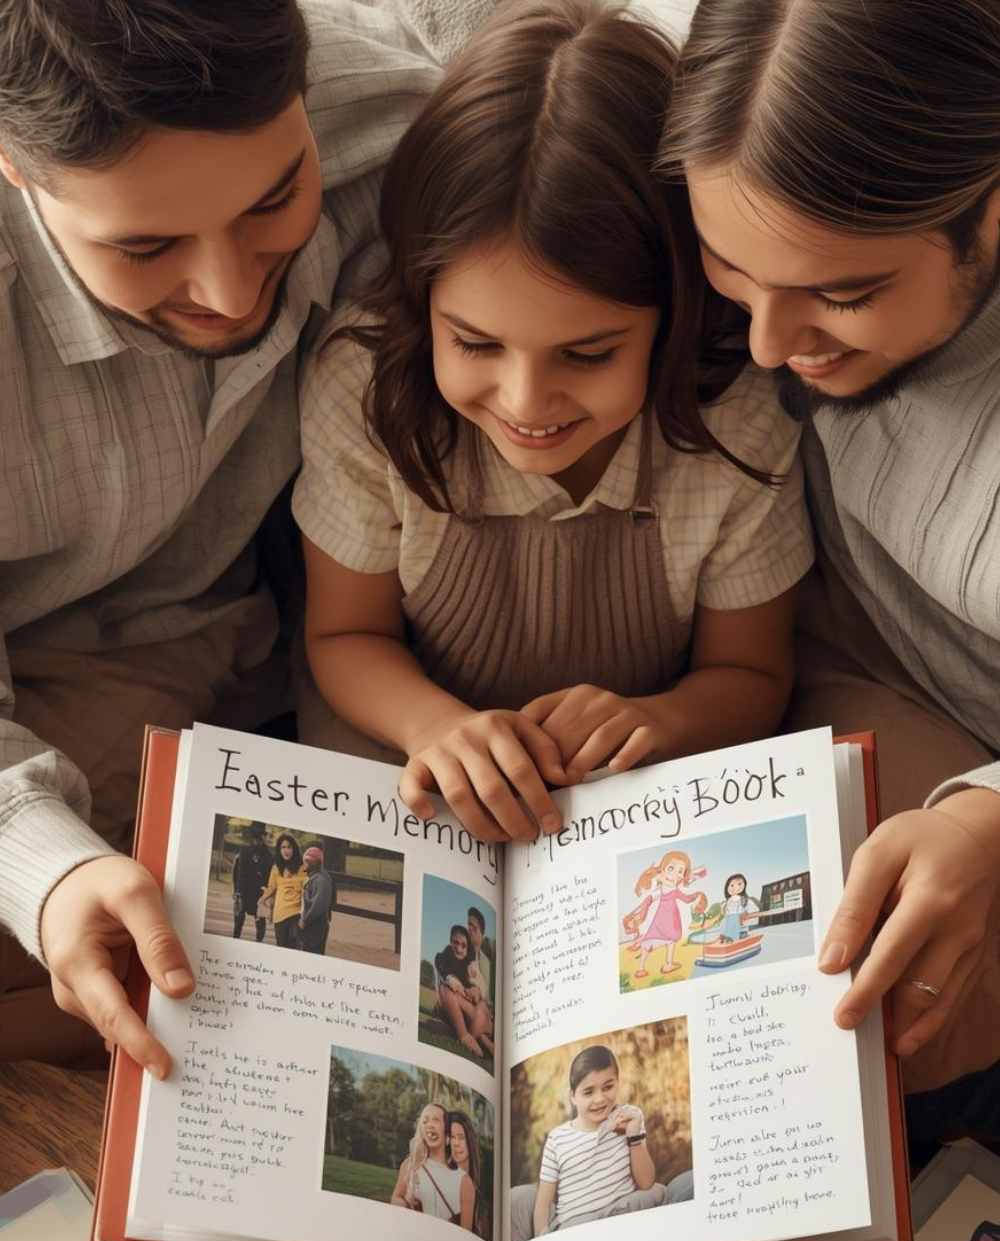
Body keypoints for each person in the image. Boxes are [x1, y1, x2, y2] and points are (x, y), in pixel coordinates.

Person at [0, 0, 449, 1075]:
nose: (231, 287)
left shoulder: (392, 105)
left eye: (273, 200)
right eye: (147, 246)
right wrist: (48, 870)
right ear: (16, 167)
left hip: (258, 641)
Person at [293, 0, 814, 848]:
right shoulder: (365, 390)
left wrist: (666, 720)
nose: (527, 403)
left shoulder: (738, 421)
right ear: (424, 304)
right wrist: (436, 727)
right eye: (475, 343)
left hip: (624, 799)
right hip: (400, 746)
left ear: (673, 316)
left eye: (589, 354)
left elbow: (751, 672)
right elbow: (344, 634)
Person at [664, 0, 1000, 1124]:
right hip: (835, 668)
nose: (769, 347)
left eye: (842, 295)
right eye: (729, 266)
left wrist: (984, 820)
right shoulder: (729, 105)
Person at [509, 1044, 695, 1241]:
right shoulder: (557, 1139)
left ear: (618, 1083)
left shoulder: (628, 1116)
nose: (600, 1099)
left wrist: (634, 1136)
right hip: (578, 1223)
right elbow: (543, 1203)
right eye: (588, 1092)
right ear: (573, 1097)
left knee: (655, 1191)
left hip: (622, 1209)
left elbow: (646, 1182)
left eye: (608, 1087)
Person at [622, 850, 707, 977]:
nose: (674, 874)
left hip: (670, 921)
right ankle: (645, 968)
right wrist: (640, 917)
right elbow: (647, 901)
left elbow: (686, 899)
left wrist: (697, 895)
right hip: (661, 921)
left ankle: (663, 965)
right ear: (662, 871)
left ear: (682, 876)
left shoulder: (674, 890)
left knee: (665, 941)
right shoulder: (659, 891)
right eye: (671, 868)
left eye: (680, 871)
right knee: (654, 942)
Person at [391, 1101, 474, 1229]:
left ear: (447, 1134)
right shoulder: (410, 1165)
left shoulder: (463, 1181)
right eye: (425, 1121)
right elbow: (395, 1198)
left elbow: (466, 1234)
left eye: (436, 1120)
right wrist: (406, 1203)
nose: (429, 1125)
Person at [434, 925, 494, 1058]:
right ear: (450, 942)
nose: (459, 948)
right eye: (455, 943)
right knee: (447, 990)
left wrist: (475, 991)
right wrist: (453, 981)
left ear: (468, 949)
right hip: (455, 1010)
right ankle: (466, 1036)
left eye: (463, 945)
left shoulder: (472, 966)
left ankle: (481, 1038)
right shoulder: (445, 956)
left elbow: (482, 996)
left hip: (476, 1013)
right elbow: (442, 967)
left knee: (480, 1008)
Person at [446, 1109, 490, 1241]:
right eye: (452, 1137)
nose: (456, 1143)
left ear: (470, 1140)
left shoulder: (484, 1182)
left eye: (461, 1137)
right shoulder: (446, 1180)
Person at [262, 835, 306, 949]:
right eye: (283, 847)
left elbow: (306, 893)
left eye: (289, 847)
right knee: (281, 947)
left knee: (294, 948)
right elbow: (271, 889)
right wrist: (265, 905)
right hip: (279, 916)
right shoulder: (276, 868)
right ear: (279, 850)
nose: (286, 850)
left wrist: (303, 917)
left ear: (294, 849)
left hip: (296, 915)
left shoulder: (304, 868)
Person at [231, 824, 273, 943]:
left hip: (259, 894)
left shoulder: (269, 856)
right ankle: (235, 939)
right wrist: (236, 891)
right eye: (259, 837)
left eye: (262, 837)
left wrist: (267, 896)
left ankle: (258, 943)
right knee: (238, 918)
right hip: (243, 890)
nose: (260, 839)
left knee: (260, 921)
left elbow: (270, 877)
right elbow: (236, 873)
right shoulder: (243, 852)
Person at [298, 845, 334, 955]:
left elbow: (318, 905)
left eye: (306, 861)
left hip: (315, 927)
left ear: (313, 863)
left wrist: (305, 920)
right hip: (313, 925)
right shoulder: (315, 877)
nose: (304, 864)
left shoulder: (320, 880)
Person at [717, 873, 760, 943]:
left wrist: (746, 913)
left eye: (739, 884)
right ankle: (726, 935)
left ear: (744, 885)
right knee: (724, 921)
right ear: (727, 887)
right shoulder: (728, 901)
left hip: (740, 920)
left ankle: (735, 936)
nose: (736, 887)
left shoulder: (743, 899)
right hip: (730, 920)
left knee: (735, 919)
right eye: (732, 885)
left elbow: (752, 909)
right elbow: (726, 911)